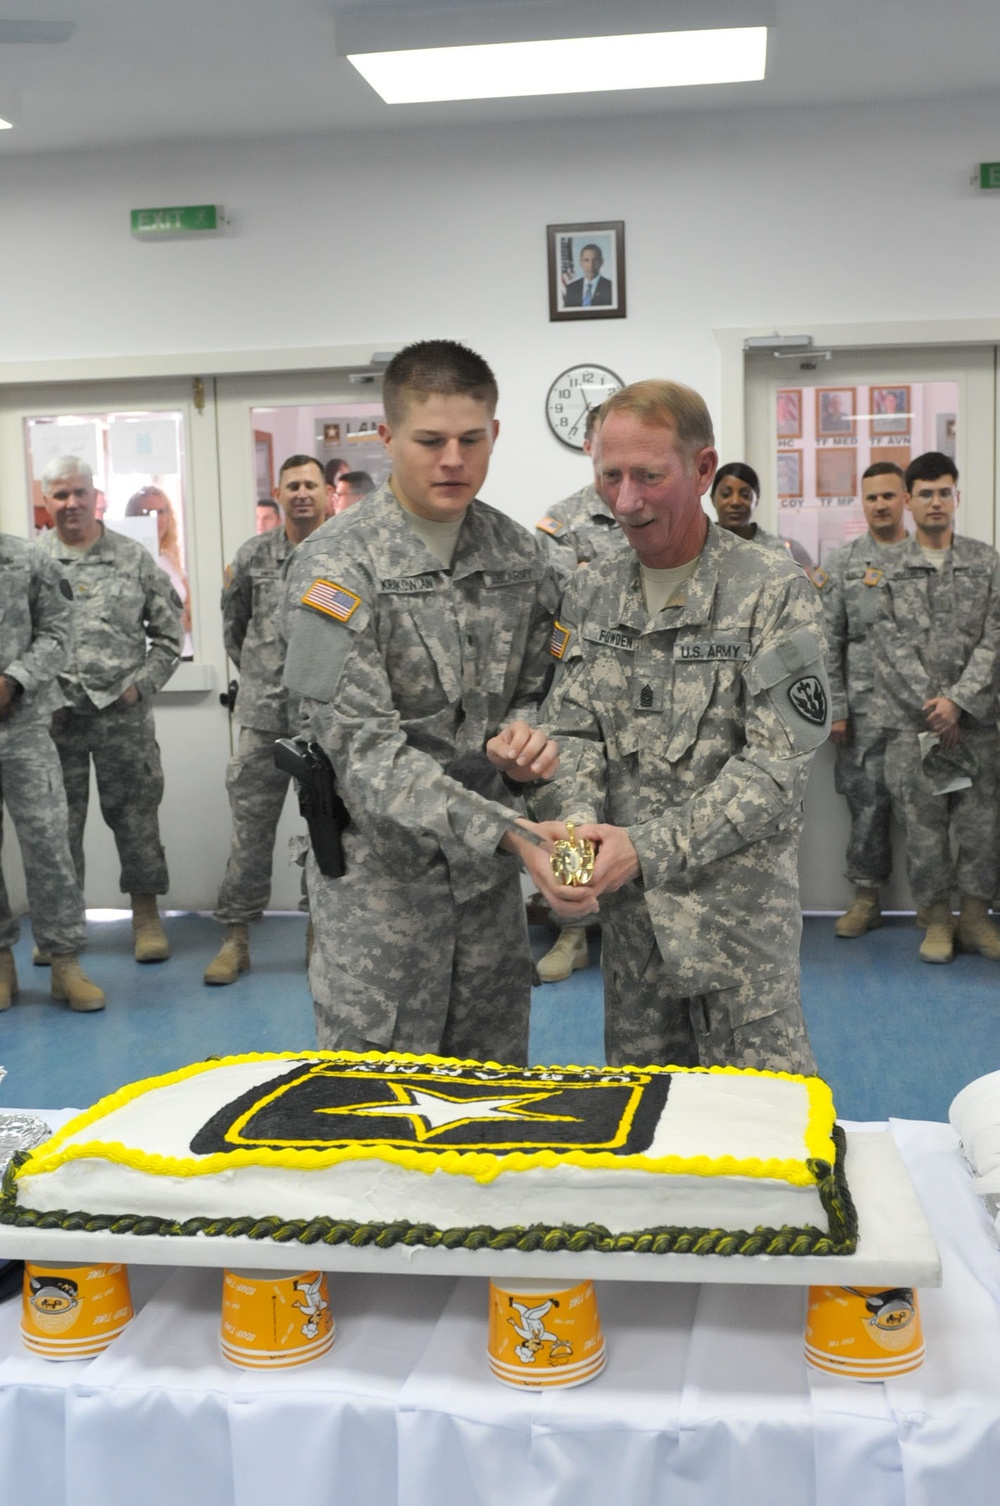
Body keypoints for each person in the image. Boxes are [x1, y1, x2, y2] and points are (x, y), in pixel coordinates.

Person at [498, 379, 829, 1072]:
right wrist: (574, 860)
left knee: (764, 1142)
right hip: (634, 940)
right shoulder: (590, 591)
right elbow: (573, 735)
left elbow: (776, 770)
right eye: (609, 476)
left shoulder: (774, 590)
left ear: (703, 470)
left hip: (738, 942)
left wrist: (642, 848)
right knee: (649, 1135)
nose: (626, 501)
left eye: (649, 476)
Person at [282, 339, 562, 1062]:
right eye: (429, 440)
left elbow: (545, 687)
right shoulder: (335, 567)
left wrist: (528, 735)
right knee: (374, 1117)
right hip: (383, 898)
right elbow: (365, 755)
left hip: (490, 898)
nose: (452, 460)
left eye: (472, 440)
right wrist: (518, 835)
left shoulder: (519, 556)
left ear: (494, 435)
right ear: (387, 437)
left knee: (490, 1105)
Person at [35, 456, 183, 963]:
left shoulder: (133, 558)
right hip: (56, 719)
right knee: (58, 826)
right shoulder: (32, 563)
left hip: (123, 716)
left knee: (136, 819)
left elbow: (168, 636)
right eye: (59, 494)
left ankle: (145, 917)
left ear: (95, 496)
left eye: (79, 492)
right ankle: (63, 929)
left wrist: (140, 688)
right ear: (46, 500)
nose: (70, 503)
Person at [205, 454, 331, 984]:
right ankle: (236, 938)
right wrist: (261, 676)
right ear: (278, 493)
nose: (302, 493)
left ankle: (319, 934)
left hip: (326, 719)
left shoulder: (345, 552)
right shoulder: (253, 556)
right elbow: (234, 628)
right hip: (262, 717)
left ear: (328, 494)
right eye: (292, 485)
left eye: (311, 484)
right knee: (249, 832)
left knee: (328, 828)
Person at [872, 451, 1000, 964]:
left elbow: (996, 636)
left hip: (977, 725)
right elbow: (886, 644)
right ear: (909, 500)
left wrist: (960, 702)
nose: (935, 502)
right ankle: (937, 920)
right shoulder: (884, 570)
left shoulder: (987, 561)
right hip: (916, 726)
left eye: (944, 492)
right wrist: (935, 706)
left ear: (956, 497)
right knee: (924, 827)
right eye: (924, 493)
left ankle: (974, 918)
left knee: (981, 824)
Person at [531, 404, 626, 983]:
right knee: (572, 807)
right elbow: (548, 608)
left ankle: (636, 930)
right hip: (583, 681)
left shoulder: (671, 506)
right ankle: (572, 929)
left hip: (658, 687)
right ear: (588, 445)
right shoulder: (562, 523)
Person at [0, 535, 105, 1011]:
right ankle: (2, 965)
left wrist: (14, 680)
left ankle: (65, 964)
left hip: (22, 726)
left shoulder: (26, 558)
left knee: (49, 844)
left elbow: (60, 631)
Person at [815, 462, 908, 936]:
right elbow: (827, 641)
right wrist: (834, 709)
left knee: (932, 807)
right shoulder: (844, 564)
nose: (880, 505)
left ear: (905, 499)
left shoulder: (928, 558)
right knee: (866, 804)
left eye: (889, 496)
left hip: (920, 712)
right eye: (872, 497)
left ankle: (942, 909)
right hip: (863, 708)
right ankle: (866, 897)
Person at [534, 407, 623, 572]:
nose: (618, 454)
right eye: (607, 444)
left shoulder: (653, 509)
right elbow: (560, 591)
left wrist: (588, 571)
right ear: (588, 447)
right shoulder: (561, 517)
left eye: (626, 444)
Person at [125, 486, 193, 657]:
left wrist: (178, 619)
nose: (156, 519)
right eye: (147, 512)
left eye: (161, 511)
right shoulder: (127, 561)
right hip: (148, 659)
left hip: (182, 655)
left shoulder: (171, 560)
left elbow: (193, 611)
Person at [710, 462, 813, 568]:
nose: (735, 502)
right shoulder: (699, 545)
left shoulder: (775, 550)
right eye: (726, 494)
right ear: (712, 498)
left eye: (745, 495)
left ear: (756, 500)